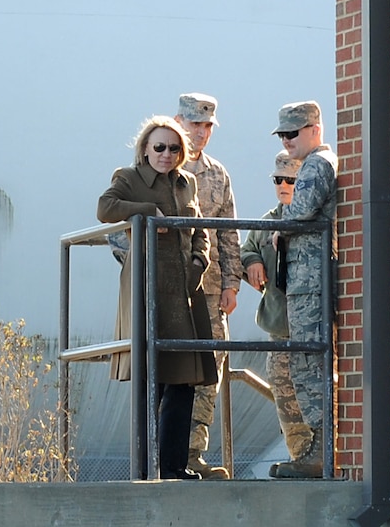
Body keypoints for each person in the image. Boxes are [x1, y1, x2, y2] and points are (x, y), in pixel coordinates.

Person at [98, 116, 214, 480]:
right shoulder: (129, 178)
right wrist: (148, 214)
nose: (166, 154)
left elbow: (201, 232)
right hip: (148, 289)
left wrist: (199, 262)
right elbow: (105, 208)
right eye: (159, 147)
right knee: (153, 382)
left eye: (174, 148)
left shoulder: (187, 183)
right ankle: (146, 469)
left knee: (184, 384)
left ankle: (175, 467)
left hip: (184, 291)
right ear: (145, 148)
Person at [174, 92, 243, 477]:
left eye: (206, 126)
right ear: (178, 120)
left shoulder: (218, 174)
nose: (200, 133)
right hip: (172, 289)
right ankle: (165, 449)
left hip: (212, 289)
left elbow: (228, 231)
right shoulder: (163, 164)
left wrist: (232, 282)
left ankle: (192, 452)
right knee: (171, 365)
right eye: (194, 124)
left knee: (210, 370)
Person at [270, 100, 339, 478]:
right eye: (282, 134)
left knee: (310, 361)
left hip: (312, 282)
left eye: (291, 133)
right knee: (303, 359)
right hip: (304, 281)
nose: (285, 141)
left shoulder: (318, 163)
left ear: (314, 129)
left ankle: (322, 448)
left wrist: (281, 227)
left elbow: (303, 208)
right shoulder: (311, 163)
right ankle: (318, 445)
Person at [242, 151, 313, 464]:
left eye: (291, 179)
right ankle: (300, 456)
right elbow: (246, 250)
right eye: (277, 179)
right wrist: (253, 261)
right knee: (284, 391)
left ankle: (322, 452)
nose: (283, 185)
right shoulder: (266, 222)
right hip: (280, 327)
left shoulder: (314, 220)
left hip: (312, 328)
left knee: (314, 391)